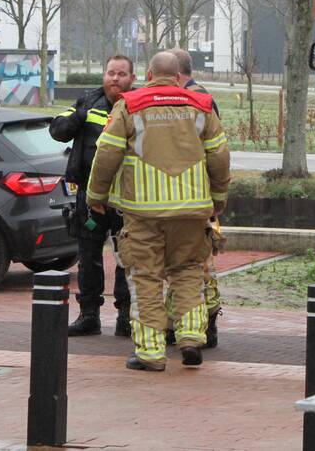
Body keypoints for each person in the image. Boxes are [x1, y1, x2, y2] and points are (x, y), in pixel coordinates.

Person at [86, 52, 230, 371]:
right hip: (192, 211)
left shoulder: (129, 105)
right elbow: (219, 156)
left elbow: (107, 153)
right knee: (188, 271)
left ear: (149, 75)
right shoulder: (202, 105)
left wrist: (96, 195)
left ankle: (150, 353)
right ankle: (191, 336)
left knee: (145, 278)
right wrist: (218, 199)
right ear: (178, 76)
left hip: (143, 212)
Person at [49, 55, 135, 338]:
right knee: (88, 258)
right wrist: (79, 116)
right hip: (88, 195)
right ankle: (89, 315)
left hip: (125, 196)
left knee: (127, 258)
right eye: (111, 73)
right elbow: (57, 131)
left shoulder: (137, 105)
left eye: (121, 74)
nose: (115, 79)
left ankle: (126, 317)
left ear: (132, 78)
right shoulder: (88, 102)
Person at [167, 48, 223, 348]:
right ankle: (201, 322)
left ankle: (199, 325)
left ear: (175, 74)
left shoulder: (191, 101)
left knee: (194, 266)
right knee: (198, 265)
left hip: (188, 196)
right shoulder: (202, 98)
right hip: (198, 195)